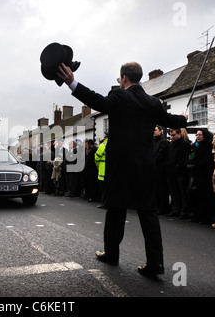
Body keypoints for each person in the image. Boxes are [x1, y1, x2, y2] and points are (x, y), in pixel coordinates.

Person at [57, 61, 187, 275]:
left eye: (120, 78)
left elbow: (96, 101)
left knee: (116, 210)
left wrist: (73, 83)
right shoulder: (153, 102)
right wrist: (183, 119)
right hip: (146, 167)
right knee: (148, 213)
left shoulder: (119, 96)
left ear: (124, 78)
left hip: (120, 167)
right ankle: (156, 263)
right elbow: (171, 120)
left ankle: (111, 253)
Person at [189, 129, 215, 224]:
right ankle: (197, 215)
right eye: (197, 135)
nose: (198, 136)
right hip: (196, 173)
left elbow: (208, 159)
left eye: (200, 135)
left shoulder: (209, 145)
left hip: (206, 174)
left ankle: (206, 216)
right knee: (196, 195)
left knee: (206, 196)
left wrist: (196, 164)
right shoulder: (195, 146)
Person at [166, 128, 191, 218]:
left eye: (173, 135)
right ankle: (176, 209)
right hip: (171, 172)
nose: (172, 137)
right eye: (171, 135)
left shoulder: (185, 144)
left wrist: (179, 165)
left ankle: (184, 211)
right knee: (174, 193)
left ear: (179, 134)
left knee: (183, 192)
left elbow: (186, 158)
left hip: (181, 172)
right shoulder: (171, 144)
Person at [153, 126, 170, 215]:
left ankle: (163, 208)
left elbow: (160, 155)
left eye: (155, 130)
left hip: (161, 169)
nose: (153, 132)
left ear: (160, 131)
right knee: (156, 189)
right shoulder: (153, 141)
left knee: (162, 189)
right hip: (154, 169)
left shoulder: (163, 142)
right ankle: (157, 206)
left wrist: (152, 161)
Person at [95, 136, 108, 208]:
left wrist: (98, 166)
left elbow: (96, 158)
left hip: (102, 171)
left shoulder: (103, 145)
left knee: (102, 189)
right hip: (112, 173)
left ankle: (103, 203)